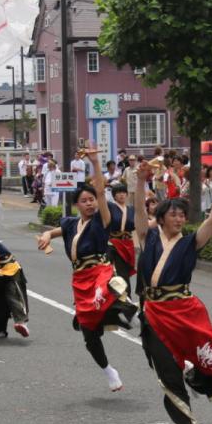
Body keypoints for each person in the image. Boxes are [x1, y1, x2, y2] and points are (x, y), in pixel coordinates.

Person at [132, 159, 212, 424]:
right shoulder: (147, 237)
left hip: (185, 311)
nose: (179, 219)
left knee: (207, 356)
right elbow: (139, 211)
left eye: (182, 215)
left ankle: (201, 378)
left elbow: (211, 222)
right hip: (154, 313)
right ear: (161, 217)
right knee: (166, 368)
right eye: (173, 215)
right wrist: (140, 182)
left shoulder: (190, 242)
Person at [37, 149, 137, 390]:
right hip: (80, 279)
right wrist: (46, 236)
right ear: (76, 205)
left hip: (100, 271)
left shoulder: (101, 222)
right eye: (84, 200)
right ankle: (109, 370)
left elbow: (102, 193)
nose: (90, 203)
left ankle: (136, 315)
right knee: (88, 334)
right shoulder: (71, 223)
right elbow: (53, 231)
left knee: (113, 295)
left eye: (92, 199)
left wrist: (95, 163)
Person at [106, 183, 137, 285]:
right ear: (114, 195)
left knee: (123, 273)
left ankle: (126, 297)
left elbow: (138, 224)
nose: (122, 195)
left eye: (124, 192)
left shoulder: (131, 209)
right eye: (119, 193)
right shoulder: (110, 206)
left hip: (127, 243)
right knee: (107, 270)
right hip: (112, 242)